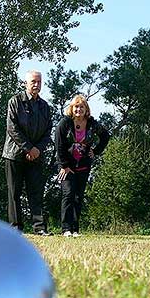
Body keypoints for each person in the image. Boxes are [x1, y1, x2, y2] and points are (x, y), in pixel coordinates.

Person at [2, 70, 52, 235]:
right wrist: (28, 148)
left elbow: (48, 132)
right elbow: (12, 128)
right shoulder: (15, 101)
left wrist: (38, 149)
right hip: (14, 154)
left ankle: (39, 228)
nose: (36, 85)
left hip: (36, 156)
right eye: (33, 82)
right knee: (14, 192)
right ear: (26, 83)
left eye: (39, 81)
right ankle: (16, 228)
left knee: (36, 192)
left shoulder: (45, 106)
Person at [55, 94, 109, 237]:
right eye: (76, 106)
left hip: (84, 165)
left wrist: (95, 151)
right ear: (72, 108)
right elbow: (59, 145)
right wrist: (64, 165)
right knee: (68, 194)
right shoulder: (64, 123)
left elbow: (105, 136)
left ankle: (75, 229)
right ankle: (66, 229)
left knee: (79, 196)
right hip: (67, 166)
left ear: (86, 109)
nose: (79, 109)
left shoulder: (92, 123)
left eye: (82, 106)